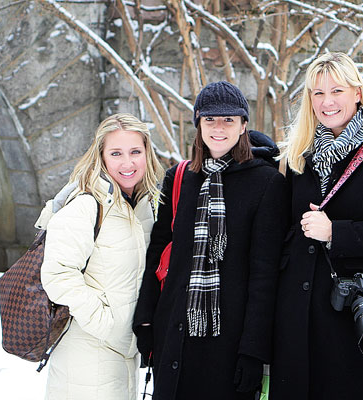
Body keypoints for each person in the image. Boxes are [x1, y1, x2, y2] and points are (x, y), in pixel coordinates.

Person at [271, 52, 363, 399]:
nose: (327, 102)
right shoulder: (298, 153)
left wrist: (336, 232)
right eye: (318, 93)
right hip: (298, 314)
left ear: (357, 92)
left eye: (336, 91)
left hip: (357, 311)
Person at [133, 81, 288, 400]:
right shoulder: (178, 178)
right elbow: (158, 251)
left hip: (229, 341)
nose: (219, 128)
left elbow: (264, 274)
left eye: (228, 120)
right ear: (198, 124)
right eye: (210, 120)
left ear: (244, 124)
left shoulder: (266, 182)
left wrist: (254, 350)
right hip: (174, 333)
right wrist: (146, 319)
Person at [39, 113, 165, 400]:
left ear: (147, 153)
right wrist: (106, 324)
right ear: (101, 156)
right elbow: (57, 274)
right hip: (87, 353)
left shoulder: (146, 204)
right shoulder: (86, 204)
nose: (127, 163)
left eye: (135, 152)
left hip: (124, 354)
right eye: (116, 153)